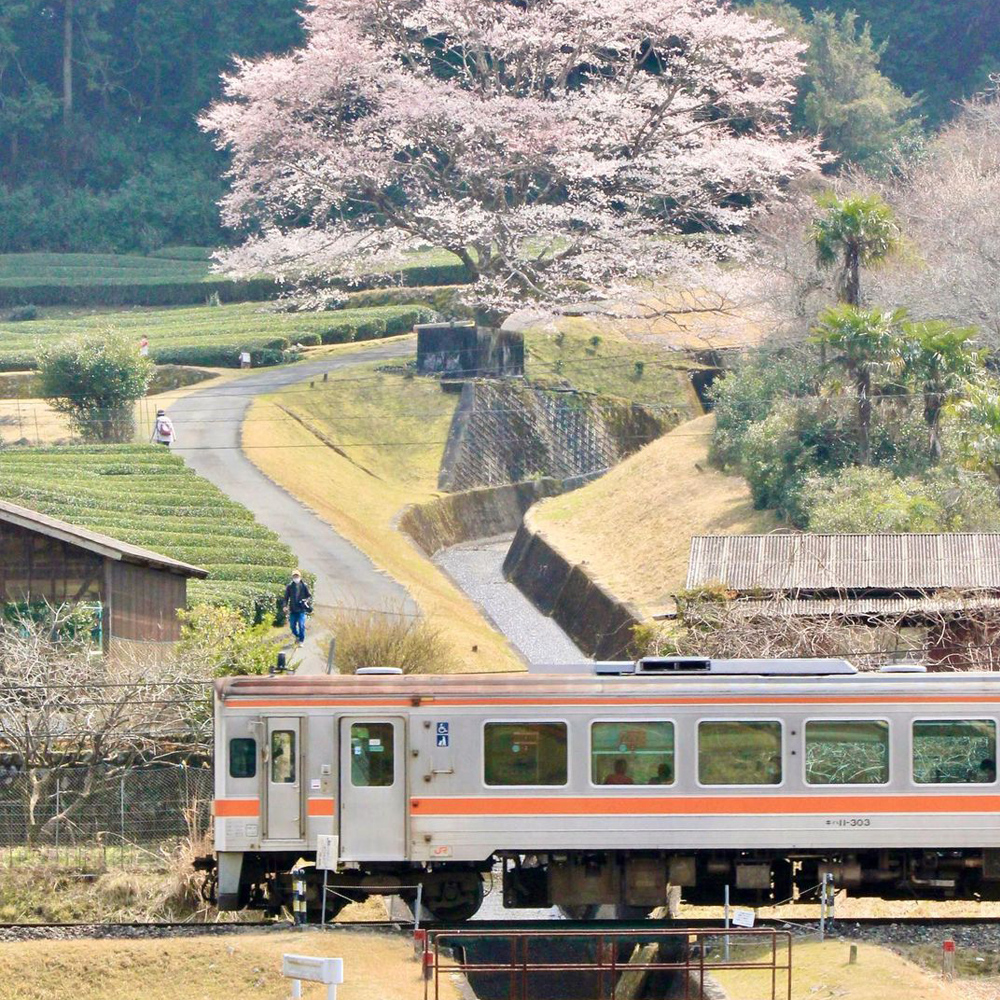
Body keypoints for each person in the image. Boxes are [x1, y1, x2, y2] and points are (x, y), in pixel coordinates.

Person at [283, 570, 312, 646]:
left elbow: (309, 596)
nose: (296, 578)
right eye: (294, 576)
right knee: (292, 626)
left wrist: (305, 601)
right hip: (293, 610)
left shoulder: (304, 586)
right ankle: (297, 636)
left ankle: (301, 640)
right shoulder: (289, 587)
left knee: (301, 625)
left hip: (301, 610)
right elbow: (286, 598)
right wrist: (284, 606)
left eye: (297, 576)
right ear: (292, 577)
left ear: (300, 577)